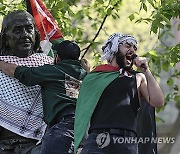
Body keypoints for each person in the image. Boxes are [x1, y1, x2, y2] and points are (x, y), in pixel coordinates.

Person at [74, 32, 164, 154]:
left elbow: (158, 102)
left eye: (134, 48)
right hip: (97, 139)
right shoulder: (95, 77)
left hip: (126, 141)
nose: (132, 50)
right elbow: (83, 112)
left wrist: (146, 71)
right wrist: (81, 144)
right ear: (114, 48)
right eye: (127, 46)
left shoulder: (138, 77)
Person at [0, 40, 89, 154]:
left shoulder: (53, 71)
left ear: (57, 57)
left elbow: (23, 73)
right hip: (85, 129)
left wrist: (1, 64)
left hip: (64, 127)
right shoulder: (85, 75)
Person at [0, 10, 53, 153]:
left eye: (29, 29)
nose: (24, 35)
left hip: (38, 143)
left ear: (36, 34)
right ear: (5, 37)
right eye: (17, 30)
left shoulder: (50, 66)